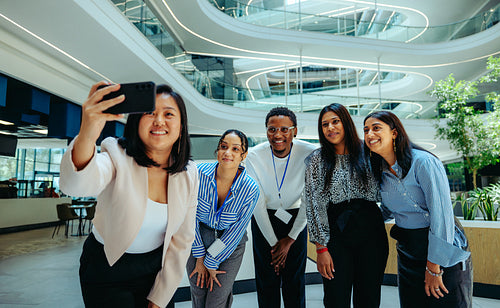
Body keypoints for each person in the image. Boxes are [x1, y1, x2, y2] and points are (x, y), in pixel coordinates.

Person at [60, 82, 198, 308]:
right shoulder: (115, 153)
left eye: (169, 114)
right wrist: (88, 131)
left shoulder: (189, 172)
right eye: (149, 113)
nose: (159, 121)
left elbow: (182, 239)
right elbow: (75, 186)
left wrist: (161, 295)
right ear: (136, 122)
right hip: (106, 268)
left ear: (181, 126)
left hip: (156, 269)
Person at [363, 111, 472, 308]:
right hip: (408, 250)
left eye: (376, 128)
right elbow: (388, 210)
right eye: (366, 130)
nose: (370, 134)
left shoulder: (423, 162)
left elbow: (442, 216)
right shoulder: (381, 172)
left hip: (441, 249)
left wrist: (434, 268)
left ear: (394, 133)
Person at [303, 103, 388, 308]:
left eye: (335, 121)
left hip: (372, 232)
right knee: (335, 298)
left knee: (369, 298)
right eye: (325, 125)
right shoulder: (317, 159)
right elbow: (314, 203)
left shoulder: (369, 152)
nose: (330, 128)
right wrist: (321, 248)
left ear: (346, 123)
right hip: (336, 235)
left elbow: (389, 187)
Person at [245, 107, 316, 308]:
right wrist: (275, 245)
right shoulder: (253, 156)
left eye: (284, 129)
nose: (278, 135)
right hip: (263, 219)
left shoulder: (309, 153)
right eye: (271, 129)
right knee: (266, 279)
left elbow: (309, 199)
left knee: (294, 279)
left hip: (297, 219)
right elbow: (256, 203)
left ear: (295, 131)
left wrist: (290, 239)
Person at [187, 129, 259, 308]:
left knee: (217, 298)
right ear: (217, 150)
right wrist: (200, 256)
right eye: (224, 147)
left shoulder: (250, 189)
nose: (228, 153)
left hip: (230, 244)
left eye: (235, 149)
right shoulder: (198, 174)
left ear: (244, 155)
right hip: (197, 236)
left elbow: (236, 230)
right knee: (198, 292)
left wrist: (211, 260)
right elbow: (189, 216)